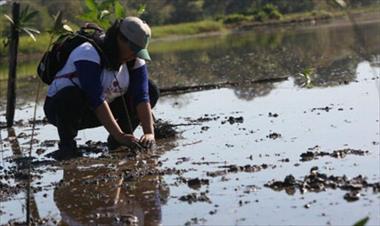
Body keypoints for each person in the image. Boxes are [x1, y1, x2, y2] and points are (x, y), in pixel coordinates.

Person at [43, 17, 159, 159]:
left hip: (104, 107)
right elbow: (96, 98)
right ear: (120, 39)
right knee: (70, 95)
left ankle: (119, 141)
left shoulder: (134, 60)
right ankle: (67, 146)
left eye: (138, 52)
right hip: (66, 111)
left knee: (152, 89)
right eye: (133, 50)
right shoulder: (88, 53)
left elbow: (142, 96)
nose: (135, 55)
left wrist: (149, 133)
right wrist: (119, 135)